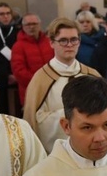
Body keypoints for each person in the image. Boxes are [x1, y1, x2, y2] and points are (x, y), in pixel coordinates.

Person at [24, 18, 100, 153]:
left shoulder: (92, 75)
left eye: (74, 40)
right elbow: (35, 121)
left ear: (79, 42)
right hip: (54, 154)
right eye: (63, 40)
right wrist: (74, 116)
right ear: (52, 43)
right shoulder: (41, 79)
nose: (69, 45)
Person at [10, 13, 55, 105]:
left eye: (34, 24)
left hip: (53, 88)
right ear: (23, 26)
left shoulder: (49, 42)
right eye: (28, 24)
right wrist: (39, 81)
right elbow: (19, 71)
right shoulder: (18, 46)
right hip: (31, 91)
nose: (31, 27)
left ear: (40, 25)